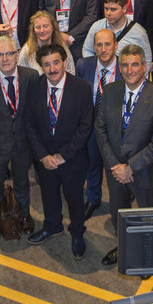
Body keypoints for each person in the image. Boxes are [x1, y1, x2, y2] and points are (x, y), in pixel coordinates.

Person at [96, 45, 153, 266]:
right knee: (119, 214)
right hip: (115, 172)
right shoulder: (110, 91)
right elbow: (100, 130)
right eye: (125, 65)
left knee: (149, 219)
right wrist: (115, 166)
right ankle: (125, 247)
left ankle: (148, 258)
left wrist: (130, 167)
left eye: (135, 64)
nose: (130, 70)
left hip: (145, 173)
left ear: (144, 66)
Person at [25, 44, 94, 259]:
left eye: (56, 62)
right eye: (46, 64)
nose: (52, 68)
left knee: (75, 199)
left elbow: (85, 127)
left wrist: (63, 155)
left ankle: (77, 233)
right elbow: (29, 124)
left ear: (64, 62)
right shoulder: (35, 86)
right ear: (41, 66)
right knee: (48, 194)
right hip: (45, 159)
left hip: (71, 159)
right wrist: (43, 156)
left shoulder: (81, 88)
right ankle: (52, 225)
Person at [0, 34, 39, 241]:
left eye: (9, 53)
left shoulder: (31, 77)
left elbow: (37, 114)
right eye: (0, 55)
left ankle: (25, 214)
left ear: (17, 54)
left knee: (22, 182)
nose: (5, 58)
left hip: (23, 144)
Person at [76, 28, 119, 220]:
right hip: (91, 125)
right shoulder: (84, 65)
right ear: (93, 47)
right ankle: (93, 199)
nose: (103, 49)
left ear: (115, 45)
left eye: (107, 44)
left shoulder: (125, 67)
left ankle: (121, 203)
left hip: (116, 129)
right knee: (92, 163)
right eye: (99, 45)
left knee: (116, 167)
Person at [81, 0, 152, 67]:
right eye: (106, 9)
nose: (108, 13)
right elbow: (87, 50)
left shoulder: (138, 32)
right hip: (100, 73)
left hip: (128, 75)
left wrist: (138, 78)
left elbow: (146, 59)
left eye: (113, 9)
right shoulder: (96, 27)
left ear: (124, 9)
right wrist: (94, 68)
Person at [18, 10, 77, 75]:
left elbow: (71, 71)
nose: (42, 30)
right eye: (38, 27)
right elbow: (21, 75)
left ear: (53, 27)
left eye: (45, 26)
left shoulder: (62, 46)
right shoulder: (27, 51)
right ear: (33, 30)